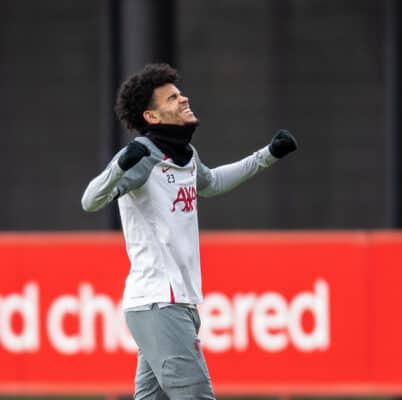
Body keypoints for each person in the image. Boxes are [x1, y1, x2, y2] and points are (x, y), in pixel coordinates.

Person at [81, 63, 297, 399]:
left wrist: (267, 155)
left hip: (176, 302)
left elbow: (212, 183)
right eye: (171, 98)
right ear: (151, 117)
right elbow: (90, 200)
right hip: (158, 301)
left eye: (179, 93)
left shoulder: (186, 156)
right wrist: (120, 165)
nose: (183, 99)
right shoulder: (141, 157)